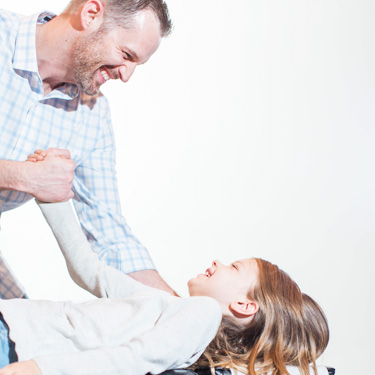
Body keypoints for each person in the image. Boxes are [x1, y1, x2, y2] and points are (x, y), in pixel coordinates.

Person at [0, 200, 329, 375]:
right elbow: (90, 271)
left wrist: (41, 369)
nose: (217, 262)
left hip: (16, 343)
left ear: (245, 305)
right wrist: (54, 198)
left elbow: (132, 360)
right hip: (13, 325)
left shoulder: (204, 313)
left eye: (234, 266)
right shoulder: (168, 307)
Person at [0, 0, 175, 299]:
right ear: (91, 14)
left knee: (21, 336)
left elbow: (112, 238)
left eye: (137, 64)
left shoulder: (92, 115)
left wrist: (185, 314)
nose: (126, 75)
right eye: (126, 55)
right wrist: (23, 177)